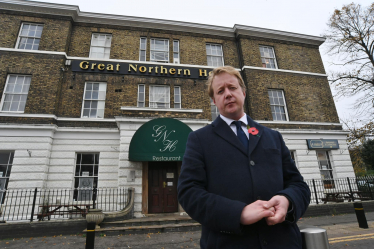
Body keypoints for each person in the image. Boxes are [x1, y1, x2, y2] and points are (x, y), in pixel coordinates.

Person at [177, 66, 310, 248]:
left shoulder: (273, 136)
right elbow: (189, 192)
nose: (228, 94)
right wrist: (238, 213)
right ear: (214, 101)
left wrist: (287, 200)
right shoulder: (199, 139)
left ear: (243, 92)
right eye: (220, 91)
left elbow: (298, 185)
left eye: (232, 88)